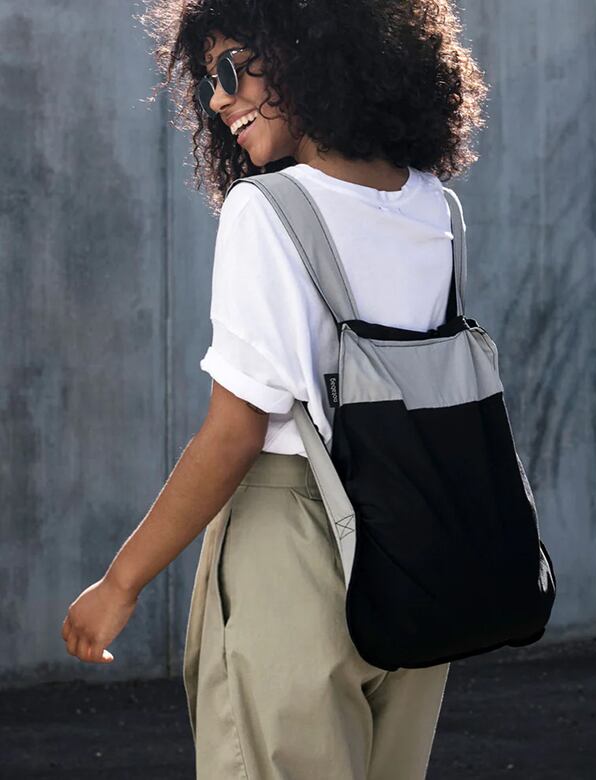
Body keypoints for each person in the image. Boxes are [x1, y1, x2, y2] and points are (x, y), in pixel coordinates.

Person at [61, 1, 488, 776]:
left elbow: (235, 432)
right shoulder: (435, 205)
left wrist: (121, 582)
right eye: (206, 84)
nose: (219, 99)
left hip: (293, 545)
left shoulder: (265, 210)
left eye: (231, 67)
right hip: (422, 547)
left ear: (307, 45)